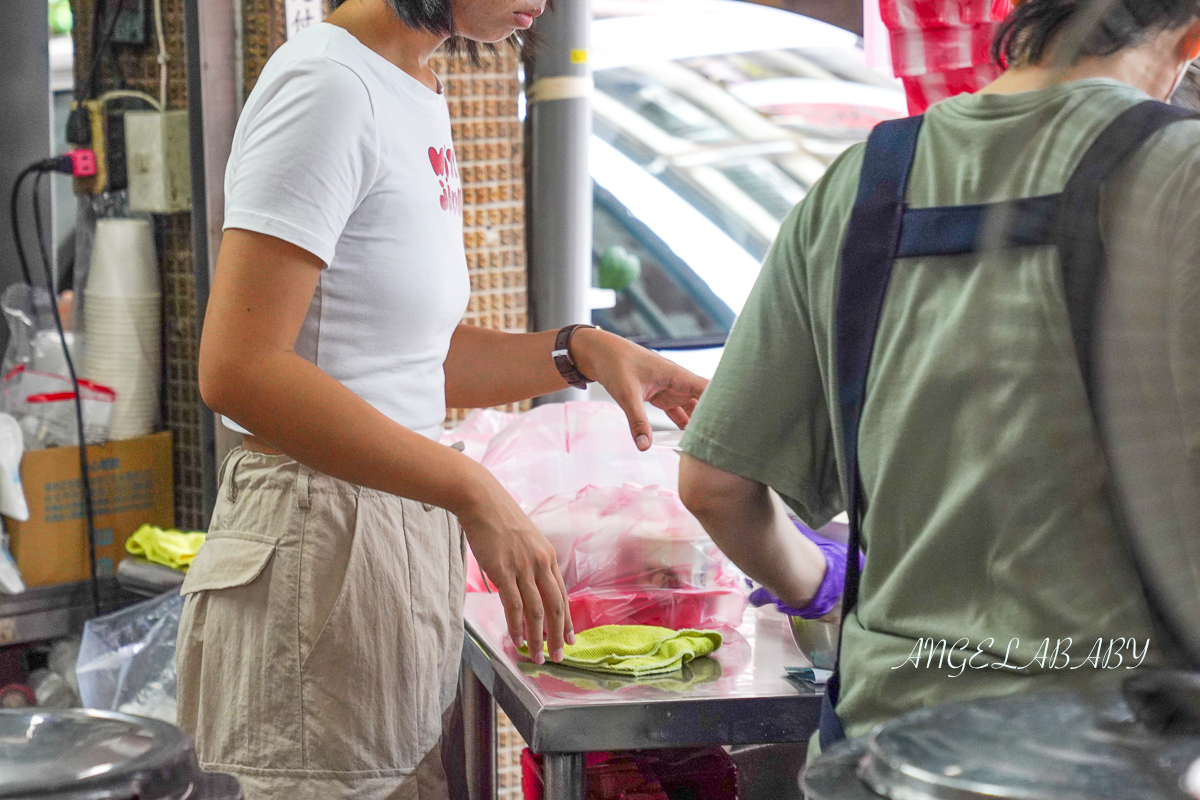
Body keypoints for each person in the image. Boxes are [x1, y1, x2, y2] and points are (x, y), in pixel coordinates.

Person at [177, 1, 707, 797]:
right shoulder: (328, 85)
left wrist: (579, 351)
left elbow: (411, 361)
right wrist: (471, 487)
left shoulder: (411, 82)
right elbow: (240, 368)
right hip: (313, 544)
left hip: (387, 533)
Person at [678, 0, 1200, 750]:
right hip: (1122, 746)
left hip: (890, 744)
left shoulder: (861, 183)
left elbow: (714, 486)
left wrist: (822, 589)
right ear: (1190, 35)